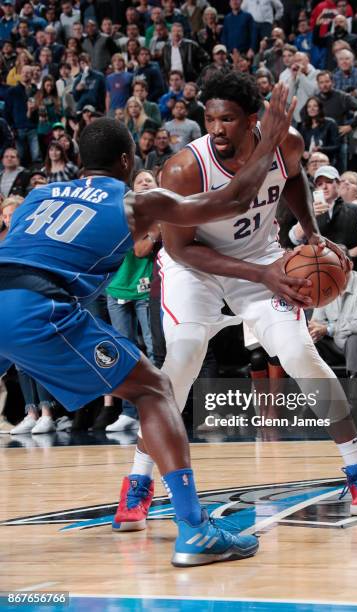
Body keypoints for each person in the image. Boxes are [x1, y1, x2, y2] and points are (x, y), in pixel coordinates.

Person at [0, 94, 296, 565]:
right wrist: (270, 142)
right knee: (156, 389)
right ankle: (196, 531)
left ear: (79, 161)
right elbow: (234, 199)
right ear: (127, 160)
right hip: (37, 306)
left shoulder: (37, 194)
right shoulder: (135, 201)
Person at [115, 71, 357, 534]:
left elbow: (295, 178)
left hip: (261, 257)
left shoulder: (288, 142)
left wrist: (313, 235)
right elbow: (180, 249)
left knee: (300, 353)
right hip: (195, 270)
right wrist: (264, 274)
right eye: (210, 118)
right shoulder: (184, 167)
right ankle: (139, 482)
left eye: (228, 119)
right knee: (180, 362)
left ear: (253, 119)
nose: (216, 128)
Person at [105, 169, 159, 433]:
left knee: (152, 350)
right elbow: (137, 248)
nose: (145, 182)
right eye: (140, 180)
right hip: (117, 288)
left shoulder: (164, 212)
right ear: (132, 188)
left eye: (150, 179)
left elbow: (142, 250)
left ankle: (153, 411)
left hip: (146, 290)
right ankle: (128, 412)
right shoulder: (122, 211)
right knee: (124, 352)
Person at [290, 165, 357, 272]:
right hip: (318, 272)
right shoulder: (309, 211)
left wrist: (350, 253)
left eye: (328, 182)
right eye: (320, 184)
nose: (324, 187)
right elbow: (294, 238)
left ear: (338, 184)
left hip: (349, 271)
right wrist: (310, 216)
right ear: (316, 188)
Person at [309, 260, 357, 377]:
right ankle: (317, 387)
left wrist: (328, 329)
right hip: (336, 343)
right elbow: (316, 322)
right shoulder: (325, 286)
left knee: (354, 339)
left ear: (349, 265)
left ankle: (355, 387)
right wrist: (315, 330)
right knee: (310, 341)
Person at [298, 97, 340, 166]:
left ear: (320, 108)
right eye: (309, 106)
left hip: (326, 162)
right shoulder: (304, 126)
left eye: (315, 106)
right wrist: (303, 153)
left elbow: (336, 146)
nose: (312, 108)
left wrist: (321, 149)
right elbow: (300, 146)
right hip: (308, 162)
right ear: (306, 110)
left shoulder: (330, 123)